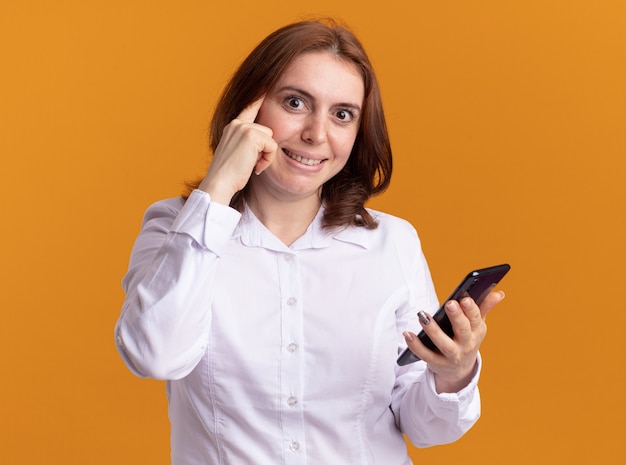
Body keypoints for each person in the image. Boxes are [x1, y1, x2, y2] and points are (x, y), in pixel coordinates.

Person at [114, 18, 506, 465]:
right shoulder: (176, 226)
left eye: (342, 114)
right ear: (249, 109)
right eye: (296, 102)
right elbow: (154, 356)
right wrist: (218, 186)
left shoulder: (391, 242)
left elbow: (423, 427)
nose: (317, 134)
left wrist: (452, 373)